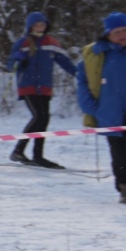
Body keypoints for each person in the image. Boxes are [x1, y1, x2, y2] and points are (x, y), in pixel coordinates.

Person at [76, 13, 126, 205]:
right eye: (116, 32)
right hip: (109, 113)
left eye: (124, 30)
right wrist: (92, 108)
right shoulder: (95, 54)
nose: (121, 35)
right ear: (108, 35)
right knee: (118, 155)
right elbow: (83, 81)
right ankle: (125, 188)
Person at [7, 11, 79, 168]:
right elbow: (11, 65)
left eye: (42, 24)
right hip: (27, 86)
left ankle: (38, 156)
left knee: (44, 118)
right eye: (37, 25)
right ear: (30, 26)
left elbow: (64, 61)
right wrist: (18, 60)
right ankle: (18, 151)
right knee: (39, 116)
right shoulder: (22, 43)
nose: (40, 27)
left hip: (45, 87)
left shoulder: (51, 42)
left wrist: (78, 73)